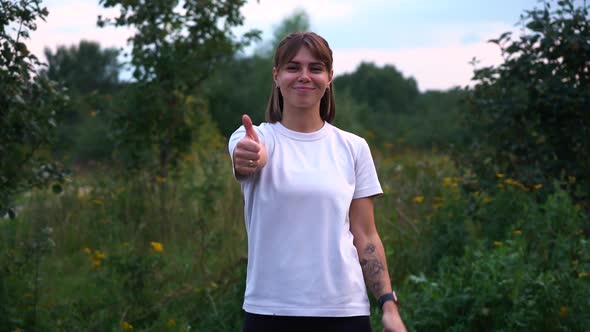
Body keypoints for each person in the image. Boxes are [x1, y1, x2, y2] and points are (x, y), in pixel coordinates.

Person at [228, 32, 407, 332]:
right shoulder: (255, 139)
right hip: (271, 312)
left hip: (345, 313)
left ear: (329, 77)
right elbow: (246, 160)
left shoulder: (354, 148)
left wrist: (388, 305)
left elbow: (366, 235)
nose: (304, 76)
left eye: (315, 68)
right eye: (293, 67)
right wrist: (247, 158)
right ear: (277, 76)